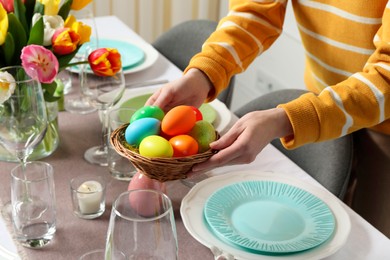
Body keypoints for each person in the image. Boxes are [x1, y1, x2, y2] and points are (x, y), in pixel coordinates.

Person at [146, 1, 390, 237]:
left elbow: (386, 77)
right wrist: (205, 72)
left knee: (370, 236)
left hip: (385, 127)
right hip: (323, 99)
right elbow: (255, 11)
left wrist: (285, 120)